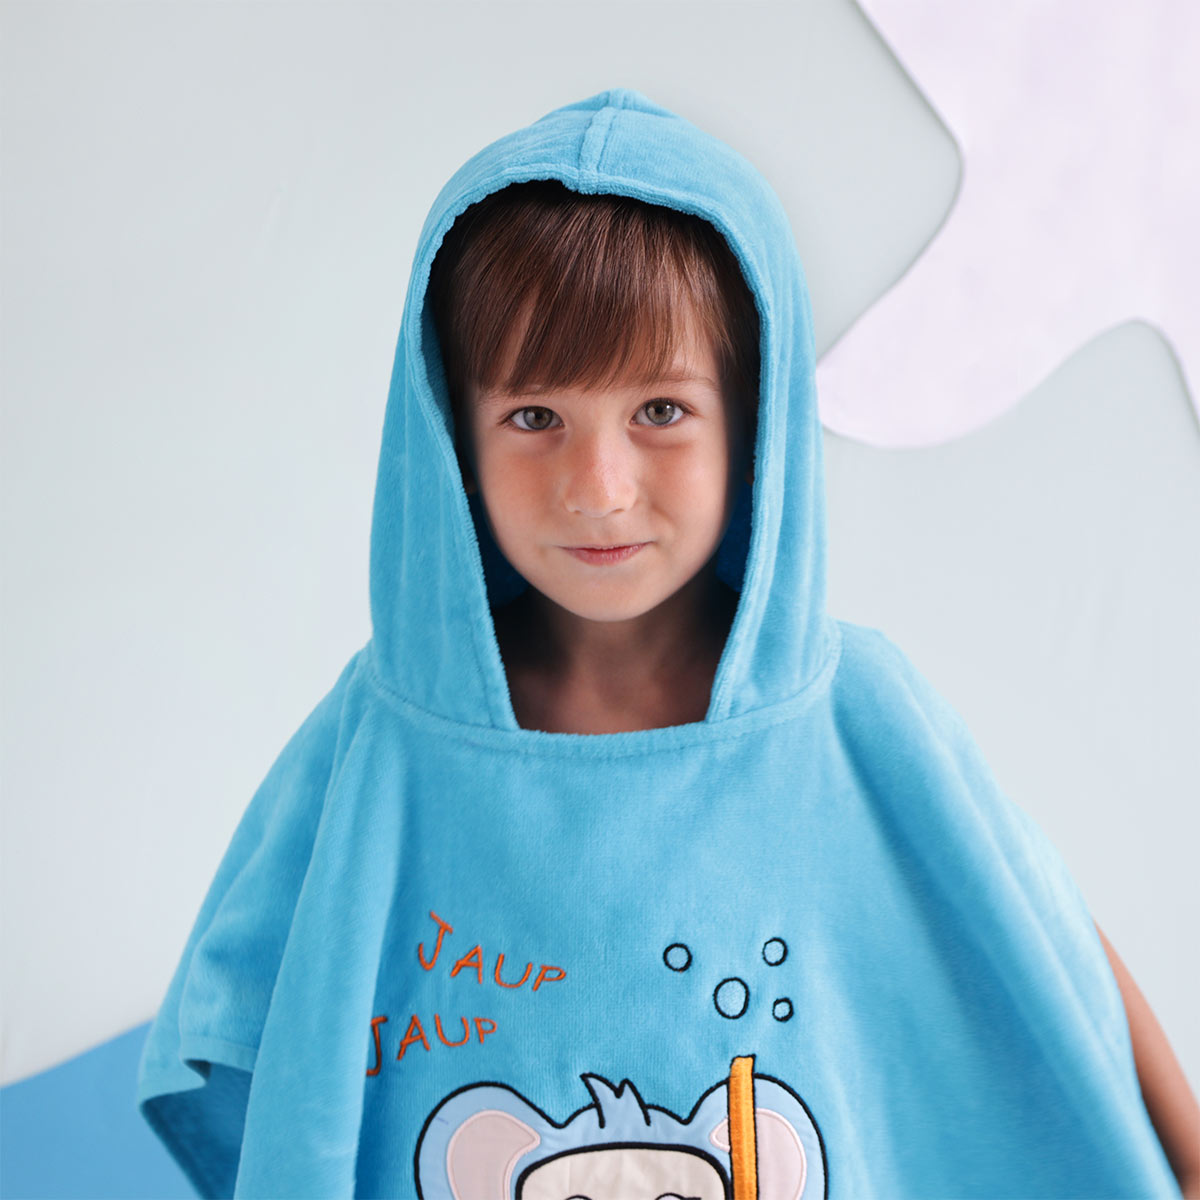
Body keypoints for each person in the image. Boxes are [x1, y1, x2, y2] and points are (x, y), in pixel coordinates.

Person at [136, 88, 1198, 1198]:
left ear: (754, 420)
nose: (598, 489)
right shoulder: (384, 744)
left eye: (660, 411)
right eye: (535, 417)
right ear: (453, 432)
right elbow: (240, 1046)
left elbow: (1051, 950)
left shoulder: (856, 718)